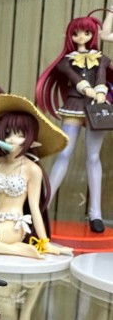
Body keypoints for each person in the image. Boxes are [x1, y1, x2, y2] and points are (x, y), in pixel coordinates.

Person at [36, 15, 112, 232]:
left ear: (93, 35)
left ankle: (95, 214)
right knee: (64, 154)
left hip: (96, 108)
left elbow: (101, 76)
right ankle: (43, 207)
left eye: (86, 33)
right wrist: (86, 89)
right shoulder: (66, 61)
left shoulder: (101, 58)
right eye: (76, 33)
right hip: (74, 106)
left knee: (93, 157)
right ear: (70, 35)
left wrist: (100, 92)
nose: (81, 37)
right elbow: (74, 77)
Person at [0, 94, 70, 259]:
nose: (12, 139)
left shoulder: (32, 169)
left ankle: (17, 248)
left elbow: (34, 206)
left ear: (30, 139)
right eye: (8, 133)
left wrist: (44, 241)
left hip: (13, 226)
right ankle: (15, 249)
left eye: (20, 135)